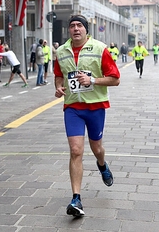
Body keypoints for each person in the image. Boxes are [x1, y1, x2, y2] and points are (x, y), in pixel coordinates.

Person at [53, 14, 120, 217]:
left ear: (85, 30)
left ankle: (102, 165)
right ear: (69, 31)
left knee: (96, 148)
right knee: (75, 150)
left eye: (79, 26)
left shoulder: (100, 49)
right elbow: (58, 76)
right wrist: (58, 88)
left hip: (95, 107)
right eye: (72, 26)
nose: (75, 29)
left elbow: (115, 79)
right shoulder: (61, 52)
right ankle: (76, 199)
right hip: (73, 107)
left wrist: (92, 80)